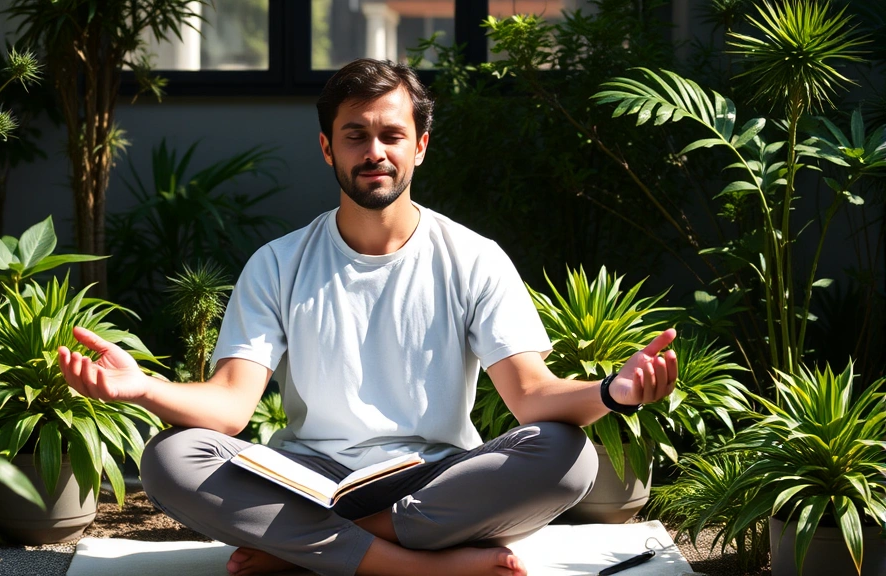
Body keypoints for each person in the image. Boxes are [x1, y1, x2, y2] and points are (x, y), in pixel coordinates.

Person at [58, 58, 678, 576]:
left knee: (571, 457)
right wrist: (142, 387)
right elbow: (230, 406)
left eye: (391, 134)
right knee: (172, 458)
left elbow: (533, 396)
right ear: (328, 148)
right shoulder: (278, 263)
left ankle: (305, 548)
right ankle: (416, 566)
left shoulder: (474, 258)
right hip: (308, 475)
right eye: (355, 134)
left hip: (437, 473)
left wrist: (612, 392)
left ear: (421, 146)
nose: (374, 151)